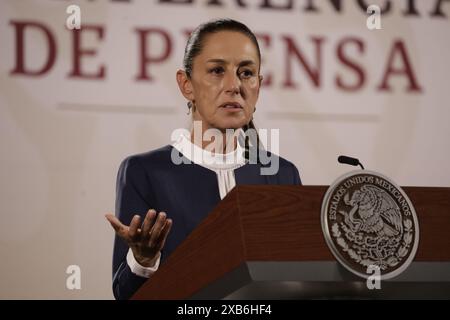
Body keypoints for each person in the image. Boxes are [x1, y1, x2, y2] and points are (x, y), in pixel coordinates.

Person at [105, 18, 302, 300]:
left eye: (246, 73)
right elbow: (125, 295)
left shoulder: (283, 175)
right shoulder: (145, 172)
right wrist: (143, 260)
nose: (234, 85)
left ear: (259, 85)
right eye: (217, 70)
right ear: (186, 85)